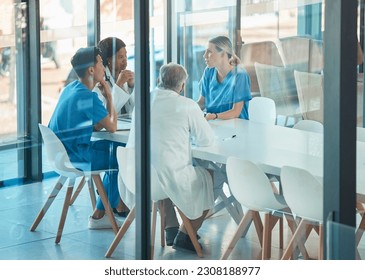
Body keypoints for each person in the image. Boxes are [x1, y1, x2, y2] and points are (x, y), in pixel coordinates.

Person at [125, 63, 226, 252]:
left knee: (163, 169)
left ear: (158, 81)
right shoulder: (187, 105)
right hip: (166, 178)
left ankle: (171, 228)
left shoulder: (143, 100)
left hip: (139, 177)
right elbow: (206, 140)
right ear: (183, 85)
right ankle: (186, 234)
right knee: (215, 175)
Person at [48, 46, 128, 230]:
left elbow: (98, 124)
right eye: (101, 63)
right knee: (123, 156)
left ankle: (105, 210)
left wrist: (106, 111)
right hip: (76, 158)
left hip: (61, 155)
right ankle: (100, 214)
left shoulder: (71, 88)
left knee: (116, 149)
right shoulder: (88, 97)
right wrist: (109, 94)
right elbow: (112, 127)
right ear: (92, 70)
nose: (104, 67)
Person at [197, 35, 252, 120]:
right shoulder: (208, 72)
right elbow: (202, 102)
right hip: (214, 123)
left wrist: (215, 116)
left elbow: (236, 112)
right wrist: (188, 110)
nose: (205, 55)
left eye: (209, 52)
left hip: (237, 127)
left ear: (223, 54)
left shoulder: (240, 75)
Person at [94, 37, 135, 116]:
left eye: (125, 55)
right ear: (109, 60)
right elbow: (106, 113)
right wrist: (118, 85)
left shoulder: (126, 76)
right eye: (121, 57)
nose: (125, 60)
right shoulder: (99, 81)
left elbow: (136, 109)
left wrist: (131, 87)